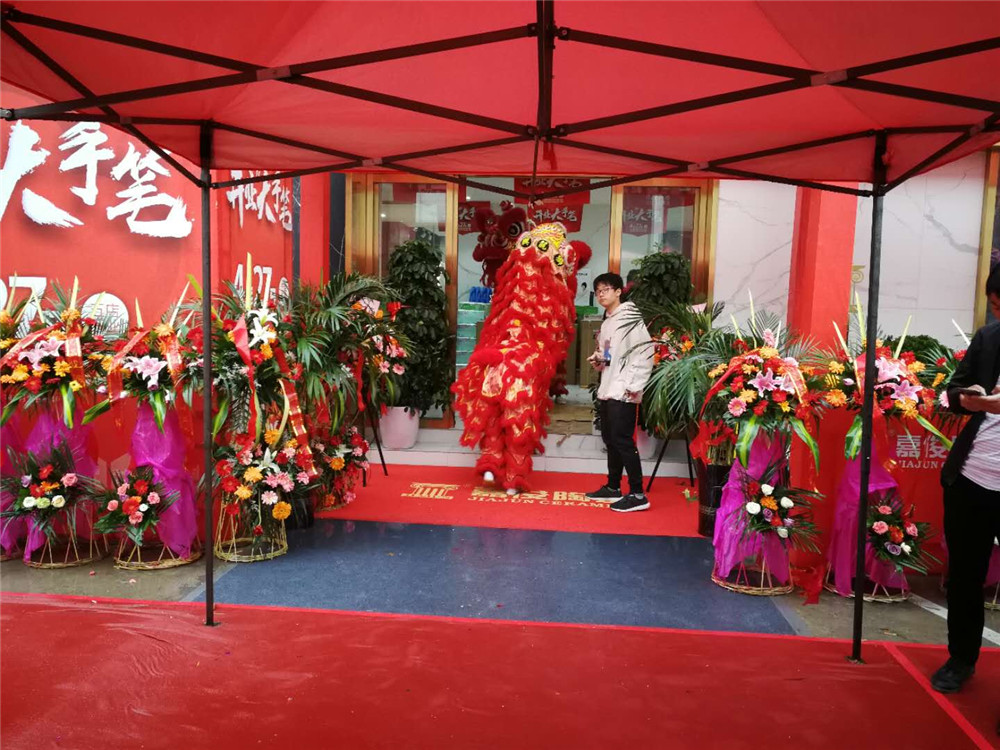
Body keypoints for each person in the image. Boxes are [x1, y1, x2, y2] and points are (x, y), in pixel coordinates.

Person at [932, 263, 1000, 695]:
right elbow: (952, 393)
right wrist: (973, 401)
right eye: (996, 306)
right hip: (973, 477)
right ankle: (961, 658)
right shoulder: (989, 339)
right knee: (965, 576)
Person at [585, 273, 654, 512]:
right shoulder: (607, 322)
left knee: (623, 440)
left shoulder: (630, 316)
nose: (601, 294)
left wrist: (634, 385)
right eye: (598, 291)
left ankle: (638, 494)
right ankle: (613, 486)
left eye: (605, 289)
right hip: (608, 387)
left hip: (625, 388)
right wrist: (598, 359)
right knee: (610, 438)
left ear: (618, 292)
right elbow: (607, 355)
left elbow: (646, 351)